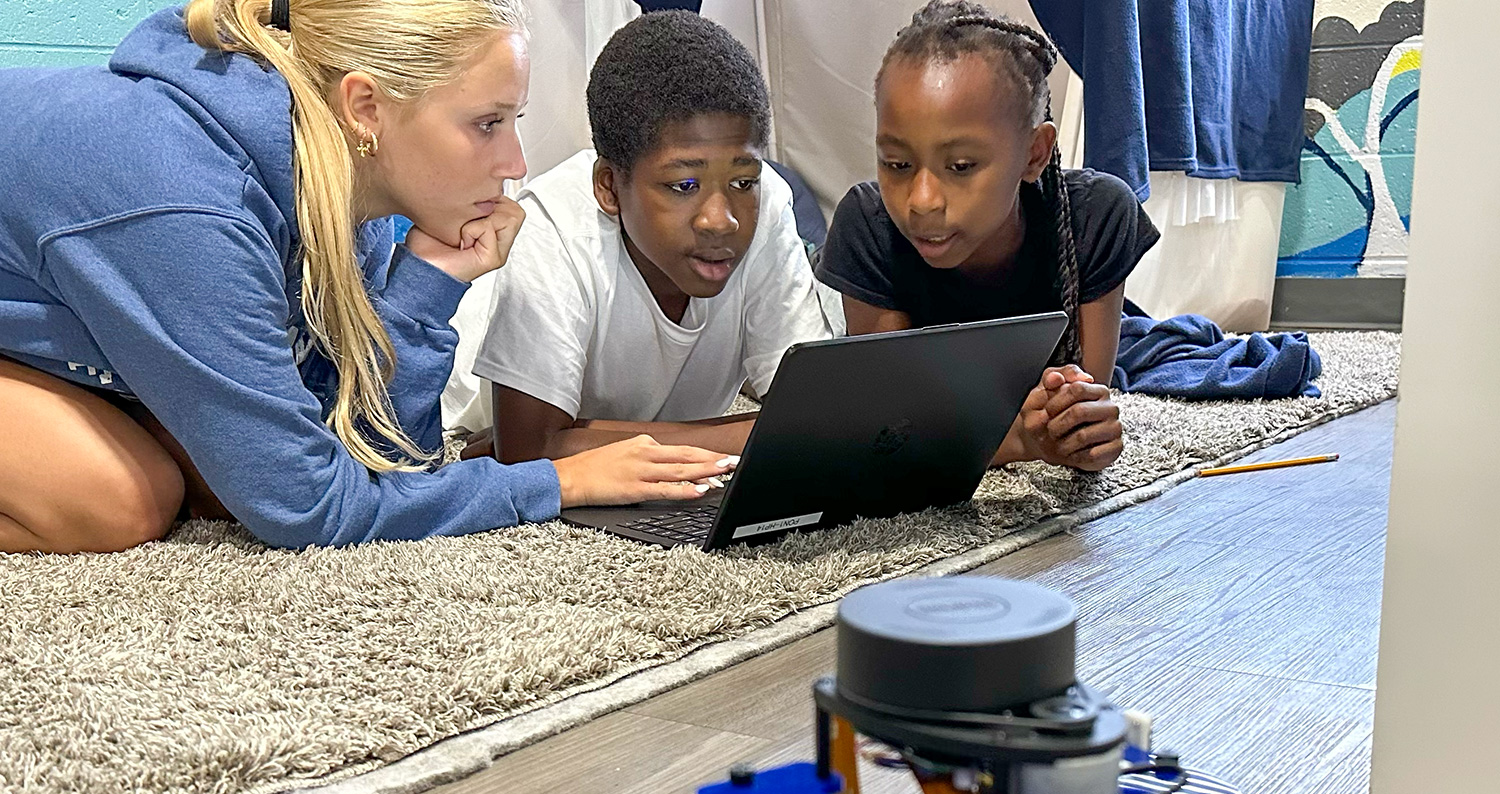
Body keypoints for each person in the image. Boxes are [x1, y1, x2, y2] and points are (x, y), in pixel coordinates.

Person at [0, 0, 734, 555]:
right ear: (365, 108)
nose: (515, 163)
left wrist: (428, 283)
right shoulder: (188, 203)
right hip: (133, 234)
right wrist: (558, 483)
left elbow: (376, 452)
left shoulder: (350, 183)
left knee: (228, 471)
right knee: (125, 499)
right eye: (487, 124)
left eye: (515, 121)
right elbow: (309, 508)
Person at [473, 9, 841, 466]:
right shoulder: (551, 229)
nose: (721, 219)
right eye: (684, 186)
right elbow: (529, 453)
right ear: (608, 187)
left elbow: (818, 422)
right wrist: (751, 434)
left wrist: (584, 436)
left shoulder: (768, 207)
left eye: (743, 183)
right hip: (463, 394)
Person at [817, 2, 1161, 473]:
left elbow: (1081, 415)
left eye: (960, 167)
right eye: (897, 165)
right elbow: (890, 432)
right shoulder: (867, 224)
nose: (921, 201)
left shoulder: (1096, 215)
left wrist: (1079, 428)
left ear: (1035, 153)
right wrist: (1024, 439)